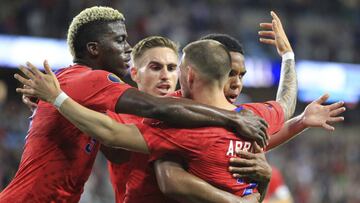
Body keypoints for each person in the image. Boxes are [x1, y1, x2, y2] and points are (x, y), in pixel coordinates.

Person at [0, 6, 269, 203]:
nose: (127, 48)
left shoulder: (79, 90)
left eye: (171, 68)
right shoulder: (92, 78)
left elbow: (120, 154)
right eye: (119, 40)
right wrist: (232, 118)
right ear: (94, 49)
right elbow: (156, 108)